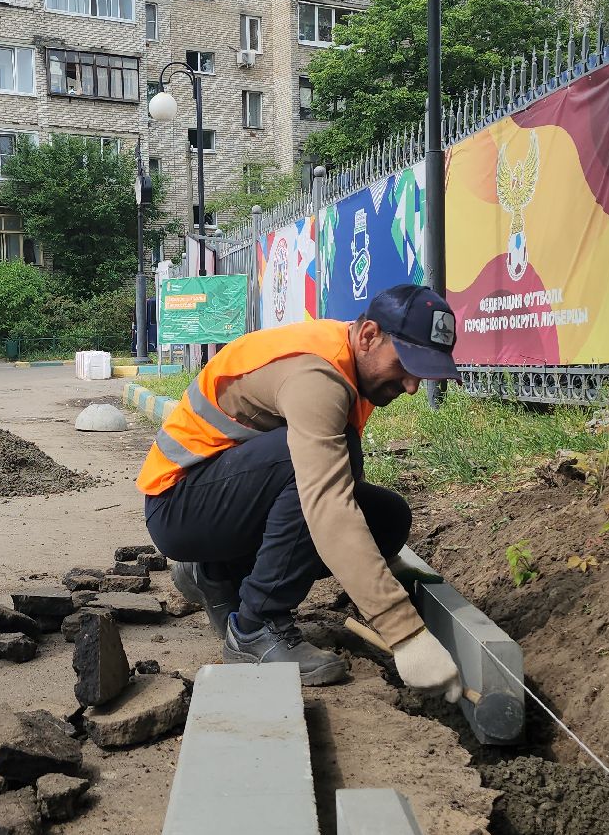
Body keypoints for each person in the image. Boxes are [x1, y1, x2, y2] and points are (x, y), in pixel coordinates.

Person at [139, 284, 465, 697]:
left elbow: (335, 492)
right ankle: (256, 628)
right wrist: (406, 633)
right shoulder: (317, 374)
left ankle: (216, 572)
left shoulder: (349, 364)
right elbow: (325, 503)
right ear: (368, 336)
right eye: (407, 364)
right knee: (316, 470)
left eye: (424, 372)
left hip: (216, 499)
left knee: (387, 519)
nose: (413, 385)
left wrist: (378, 570)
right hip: (179, 507)